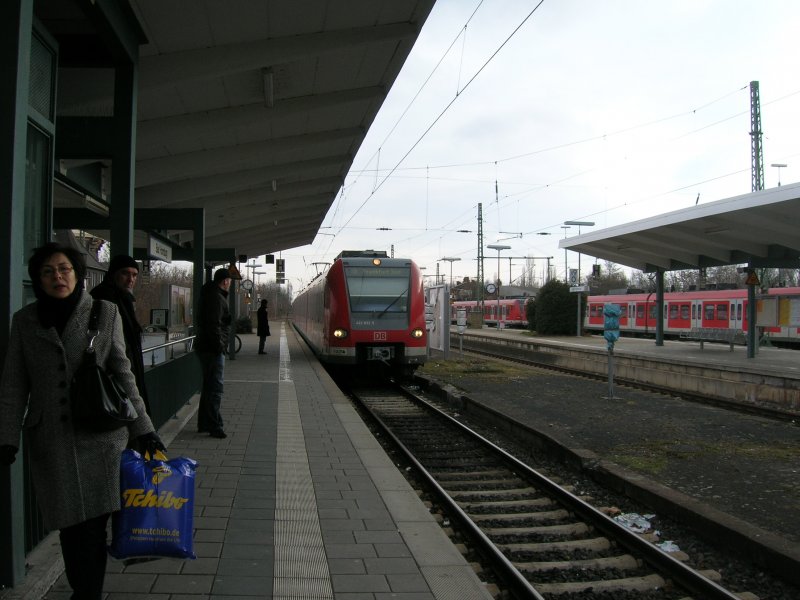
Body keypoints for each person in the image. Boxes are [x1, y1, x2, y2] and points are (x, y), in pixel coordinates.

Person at [0, 242, 164, 600]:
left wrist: (145, 429)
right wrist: (7, 437)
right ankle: (84, 589)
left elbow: (123, 374)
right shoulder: (25, 322)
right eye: (48, 271)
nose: (57, 276)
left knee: (91, 530)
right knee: (70, 530)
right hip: (52, 443)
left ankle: (86, 594)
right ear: (38, 279)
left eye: (64, 269)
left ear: (77, 273)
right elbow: (14, 384)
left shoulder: (104, 313)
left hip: (102, 440)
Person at [90, 254, 150, 415]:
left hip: (125, 369)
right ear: (113, 274)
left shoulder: (124, 298)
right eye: (125, 273)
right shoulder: (104, 298)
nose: (130, 279)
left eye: (134, 275)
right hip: (112, 376)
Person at [194, 267, 232, 439]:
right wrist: (220, 347)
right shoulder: (216, 298)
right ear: (225, 281)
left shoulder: (210, 294)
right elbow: (214, 325)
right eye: (229, 281)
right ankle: (214, 426)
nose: (229, 284)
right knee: (215, 388)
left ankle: (204, 423)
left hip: (206, 347)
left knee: (209, 387)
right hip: (212, 349)